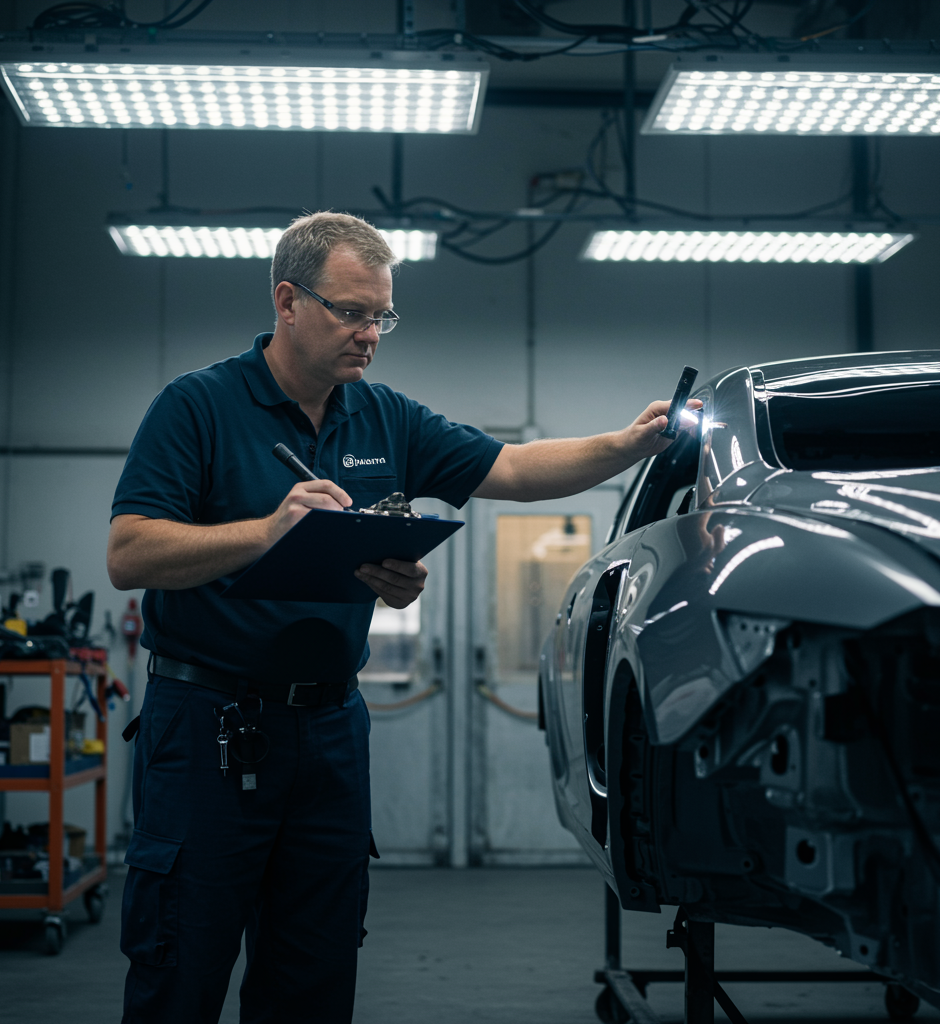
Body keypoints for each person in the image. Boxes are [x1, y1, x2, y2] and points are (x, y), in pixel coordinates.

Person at [107, 211, 698, 1024]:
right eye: (350, 311)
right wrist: (268, 532)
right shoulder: (197, 407)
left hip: (327, 734)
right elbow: (129, 552)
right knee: (183, 966)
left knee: (312, 973)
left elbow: (516, 468)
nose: (369, 334)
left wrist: (632, 444)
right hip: (207, 725)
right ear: (287, 300)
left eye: (381, 315)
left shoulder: (382, 416)